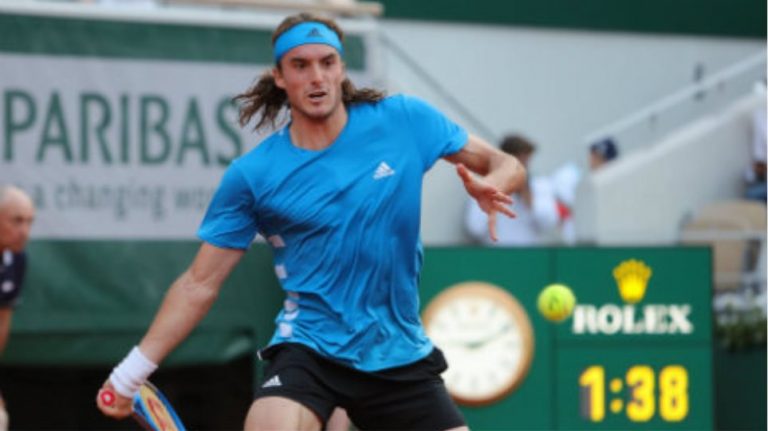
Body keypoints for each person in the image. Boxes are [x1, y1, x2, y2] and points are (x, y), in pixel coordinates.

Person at [96, 12, 525, 431]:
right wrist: (128, 376)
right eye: (300, 65)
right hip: (311, 348)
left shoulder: (405, 120)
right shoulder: (253, 175)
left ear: (341, 69)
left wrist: (494, 183)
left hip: (397, 352)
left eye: (327, 62)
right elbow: (198, 284)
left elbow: (505, 163)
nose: (316, 77)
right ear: (280, 77)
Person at [465, 135, 558, 246]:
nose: (522, 167)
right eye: (518, 162)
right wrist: (492, 195)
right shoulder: (485, 185)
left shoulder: (540, 185)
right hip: (496, 254)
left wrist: (528, 197)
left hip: (529, 254)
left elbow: (548, 224)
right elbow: (474, 228)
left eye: (526, 162)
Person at [0, 186, 36, 431]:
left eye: (29, 222)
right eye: (16, 220)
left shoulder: (17, 259)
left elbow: (2, 321)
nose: (25, 231)